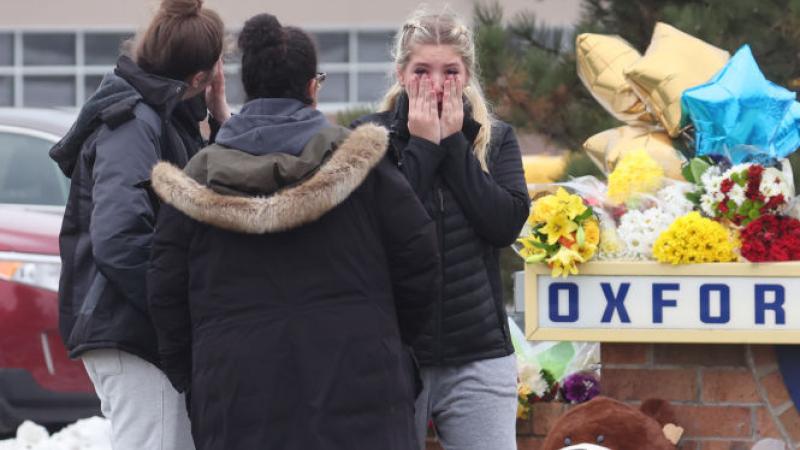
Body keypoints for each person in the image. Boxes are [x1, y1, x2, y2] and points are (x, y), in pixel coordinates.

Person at [146, 13, 441, 450]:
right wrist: (393, 349)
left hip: (235, 400)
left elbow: (165, 295)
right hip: (362, 392)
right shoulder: (365, 172)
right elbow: (421, 264)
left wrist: (198, 374)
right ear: (311, 87)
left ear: (248, 86)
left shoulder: (196, 185)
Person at [49, 0, 229, 448]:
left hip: (137, 330)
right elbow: (118, 236)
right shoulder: (133, 123)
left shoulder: (163, 118)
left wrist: (219, 118)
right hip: (132, 332)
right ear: (199, 78)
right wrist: (176, 309)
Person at [351, 10, 530, 450]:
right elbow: (373, 233)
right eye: (421, 71)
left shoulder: (497, 138)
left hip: (478, 353)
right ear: (400, 73)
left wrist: (453, 145)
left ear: (467, 75)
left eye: (450, 71)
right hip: (391, 354)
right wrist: (423, 148)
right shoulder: (366, 137)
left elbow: (503, 224)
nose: (435, 84)